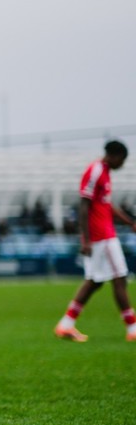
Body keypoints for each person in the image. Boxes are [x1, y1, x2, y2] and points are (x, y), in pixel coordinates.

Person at [54, 140, 136, 342]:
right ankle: (132, 328)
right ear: (115, 155)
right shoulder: (96, 170)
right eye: (122, 160)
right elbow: (83, 204)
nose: (122, 165)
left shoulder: (104, 172)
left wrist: (129, 222)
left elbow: (106, 206)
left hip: (102, 234)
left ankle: (66, 325)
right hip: (102, 236)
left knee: (95, 282)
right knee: (119, 278)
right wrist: (86, 239)